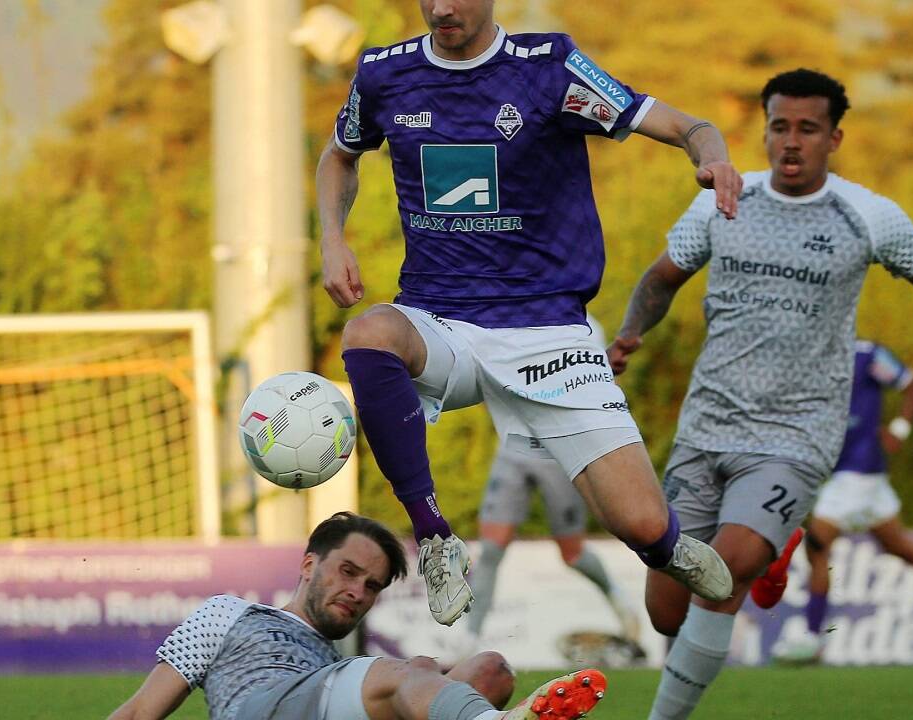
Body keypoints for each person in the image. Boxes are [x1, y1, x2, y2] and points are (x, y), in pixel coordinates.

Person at [317, 0, 740, 629]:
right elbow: (339, 155)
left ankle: (668, 548)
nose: (441, 9)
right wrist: (332, 238)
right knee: (369, 333)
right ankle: (435, 537)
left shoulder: (550, 69)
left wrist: (715, 156)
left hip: (547, 332)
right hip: (443, 322)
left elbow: (686, 125)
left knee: (641, 523)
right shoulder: (385, 73)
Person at [607, 68, 913, 719]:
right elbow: (661, 278)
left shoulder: (868, 215)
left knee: (725, 567)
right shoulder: (722, 201)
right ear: (764, 131)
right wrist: (628, 334)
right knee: (665, 610)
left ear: (834, 138)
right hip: (706, 427)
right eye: (779, 127)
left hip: (796, 435)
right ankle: (776, 551)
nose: (790, 143)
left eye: (807, 129)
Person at [107, 511, 609, 720]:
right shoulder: (228, 613)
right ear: (309, 564)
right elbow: (137, 712)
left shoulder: (335, 662)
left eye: (371, 586)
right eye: (348, 572)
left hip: (325, 702)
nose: (356, 592)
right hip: (261, 710)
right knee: (417, 672)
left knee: (491, 671)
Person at [770, 340, 913, 663]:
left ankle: (812, 638)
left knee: (816, 544)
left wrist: (900, 429)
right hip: (853, 473)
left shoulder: (867, 354)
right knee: (897, 545)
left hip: (858, 470)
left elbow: (912, 386)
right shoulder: (810, 352)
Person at [456, 315, 641, 659]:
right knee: (492, 548)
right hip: (512, 449)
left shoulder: (587, 327)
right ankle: (468, 641)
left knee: (572, 552)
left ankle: (617, 596)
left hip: (558, 451)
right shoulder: (509, 312)